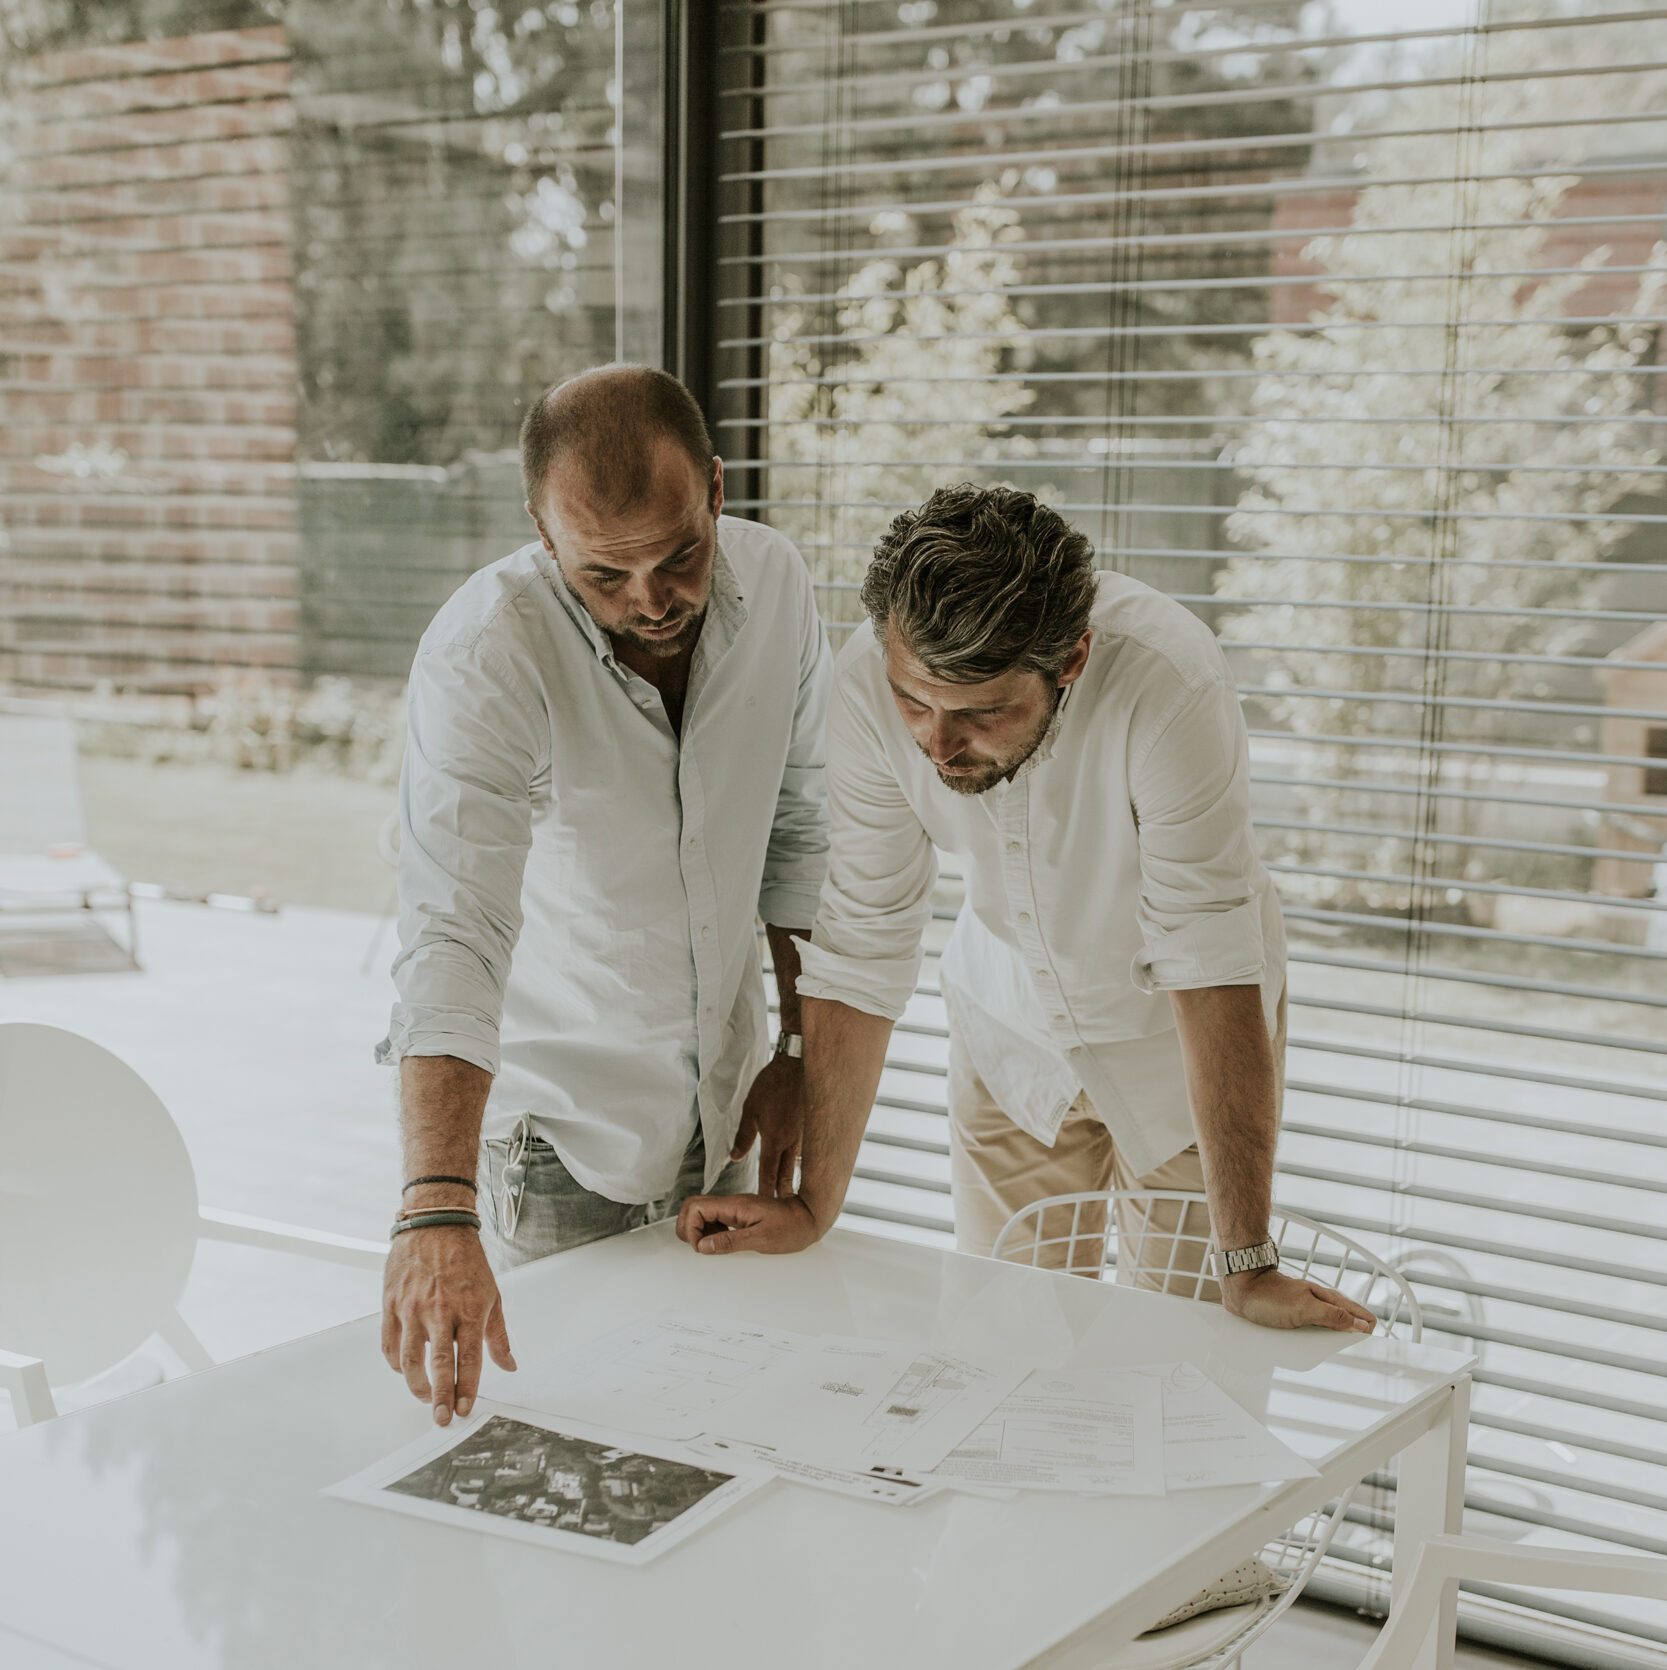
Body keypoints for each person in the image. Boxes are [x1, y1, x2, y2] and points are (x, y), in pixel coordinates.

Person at [676, 483, 1375, 1335]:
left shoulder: (1167, 678)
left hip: (1178, 1052)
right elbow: (862, 937)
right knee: (1003, 1351)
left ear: (1070, 659)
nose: (935, 744)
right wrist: (816, 1207)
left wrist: (1248, 1263)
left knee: (1184, 1369)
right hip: (1008, 1046)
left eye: (981, 713)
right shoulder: (863, 678)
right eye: (916, 703)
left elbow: (1207, 951)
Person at [379, 365, 833, 1424]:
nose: (652, 599)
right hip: (559, 1141)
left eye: (679, 555)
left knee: (725, 1430)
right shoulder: (485, 654)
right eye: (603, 574)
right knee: (569, 1458)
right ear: (540, 534)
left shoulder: (778, 588)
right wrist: (435, 1207)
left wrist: (802, 1049)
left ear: (716, 488)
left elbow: (803, 835)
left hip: (726, 1111)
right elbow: (454, 925)